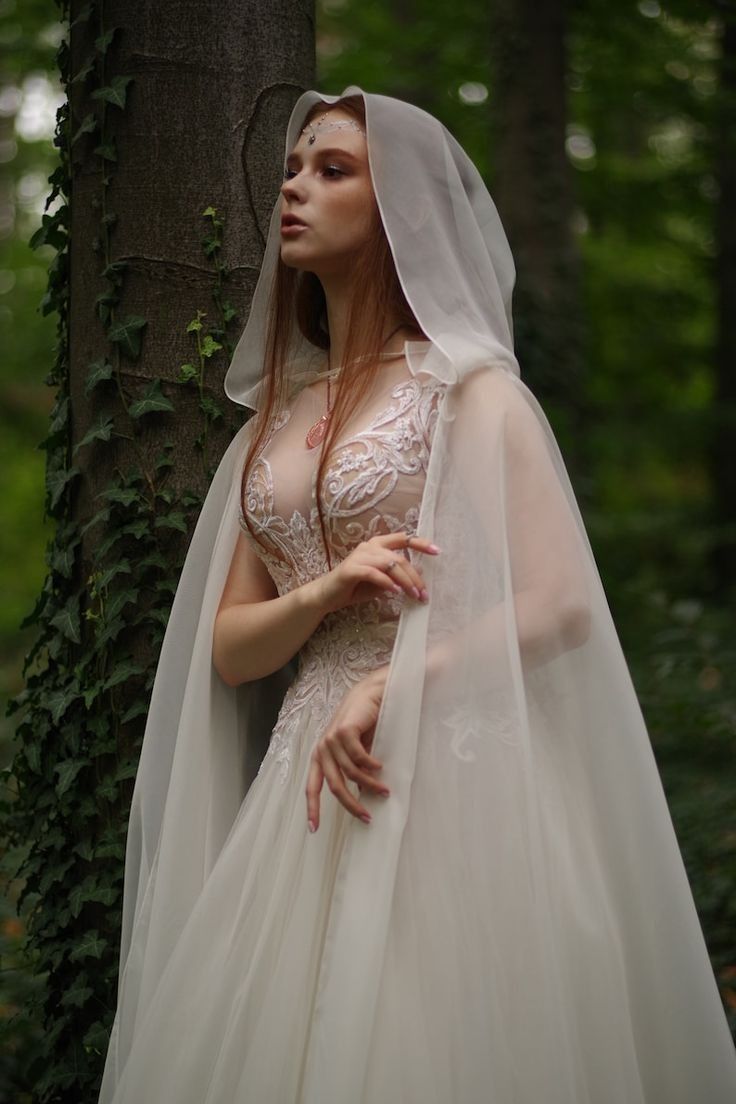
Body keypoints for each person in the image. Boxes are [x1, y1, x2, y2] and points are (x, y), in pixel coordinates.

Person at [97, 87, 736, 1103]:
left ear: (403, 215)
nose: (295, 189)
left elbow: (561, 603)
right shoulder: (269, 423)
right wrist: (327, 595)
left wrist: (403, 678)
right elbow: (230, 651)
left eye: (332, 169)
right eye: (293, 169)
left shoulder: (472, 392)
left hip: (450, 767)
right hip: (309, 776)